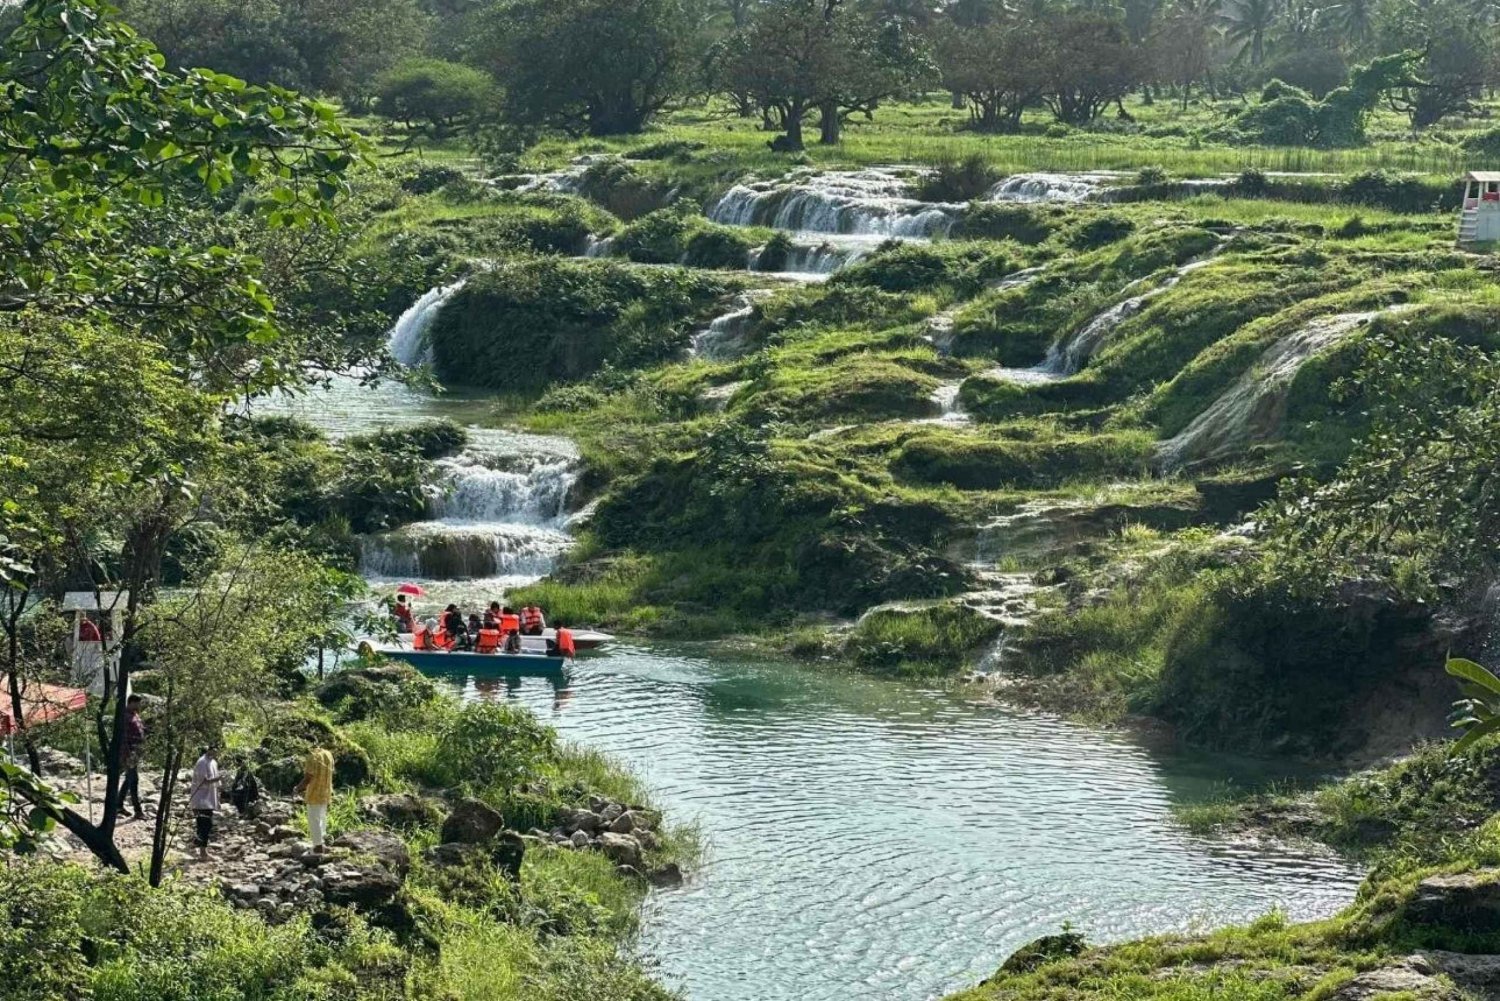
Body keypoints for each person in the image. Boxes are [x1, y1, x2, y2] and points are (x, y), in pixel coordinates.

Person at [294, 747, 334, 851]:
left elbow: (308, 778)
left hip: (314, 794)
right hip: (325, 791)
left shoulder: (312, 757)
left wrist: (297, 789)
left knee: (314, 819)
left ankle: (318, 846)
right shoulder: (328, 754)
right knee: (322, 818)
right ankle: (323, 842)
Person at [188, 744, 222, 861]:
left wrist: (218, 799)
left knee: (205, 825)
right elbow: (204, 781)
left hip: (209, 799)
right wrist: (218, 779)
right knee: (205, 825)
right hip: (201, 798)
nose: (215, 752)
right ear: (209, 750)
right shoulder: (202, 762)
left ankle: (199, 846)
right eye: (213, 749)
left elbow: (215, 783)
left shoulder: (213, 762)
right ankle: (203, 853)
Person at [117, 694, 146, 821]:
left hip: (136, 753)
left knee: (129, 779)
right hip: (129, 754)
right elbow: (123, 737)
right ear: (131, 702)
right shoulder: (125, 716)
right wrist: (128, 754)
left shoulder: (135, 715)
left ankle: (118, 805)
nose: (139, 706)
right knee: (133, 780)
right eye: (138, 703)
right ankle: (138, 810)